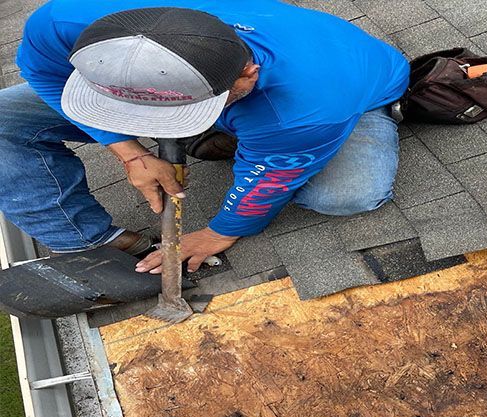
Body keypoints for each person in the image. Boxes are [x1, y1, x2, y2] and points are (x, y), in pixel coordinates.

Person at [3, 0, 409, 273]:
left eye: (181, 118)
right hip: (222, 92)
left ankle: (255, 136)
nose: (159, 127)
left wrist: (218, 232)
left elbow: (269, 181)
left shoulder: (304, 106)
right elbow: (45, 74)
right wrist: (128, 151)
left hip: (335, 95)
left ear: (246, 74)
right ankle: (87, 243)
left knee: (346, 195)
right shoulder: (66, 19)